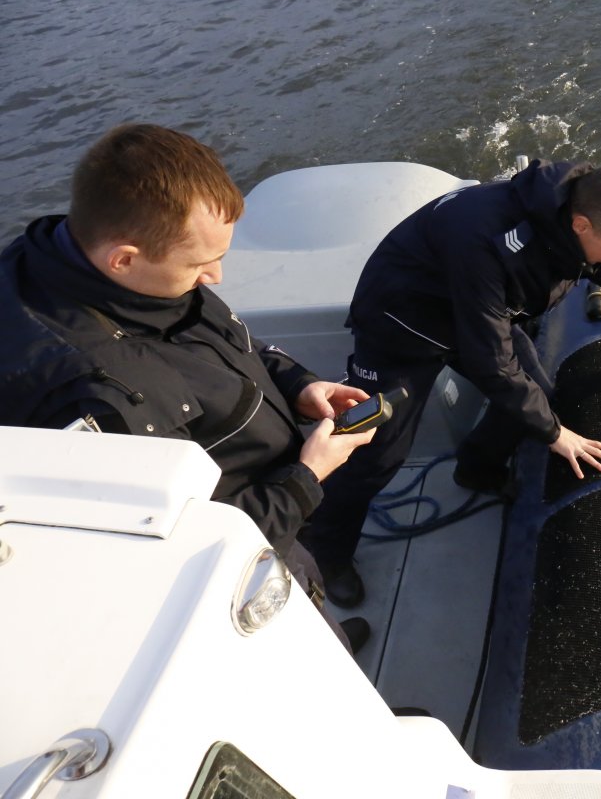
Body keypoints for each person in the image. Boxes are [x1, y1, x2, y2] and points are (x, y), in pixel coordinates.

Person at [0, 123, 376, 652]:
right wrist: (307, 476)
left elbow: (227, 340)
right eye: (200, 263)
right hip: (249, 546)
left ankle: (321, 621)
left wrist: (298, 385)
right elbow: (196, 548)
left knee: (310, 600)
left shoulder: (95, 264)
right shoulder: (95, 400)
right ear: (124, 258)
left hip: (273, 488)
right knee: (305, 642)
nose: (217, 276)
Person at [300, 159, 601, 608]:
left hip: (476, 312)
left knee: (535, 395)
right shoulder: (487, 243)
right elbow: (493, 364)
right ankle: (327, 551)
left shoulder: (576, 219)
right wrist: (556, 435)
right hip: (404, 322)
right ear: (581, 224)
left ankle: (476, 468)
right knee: (379, 454)